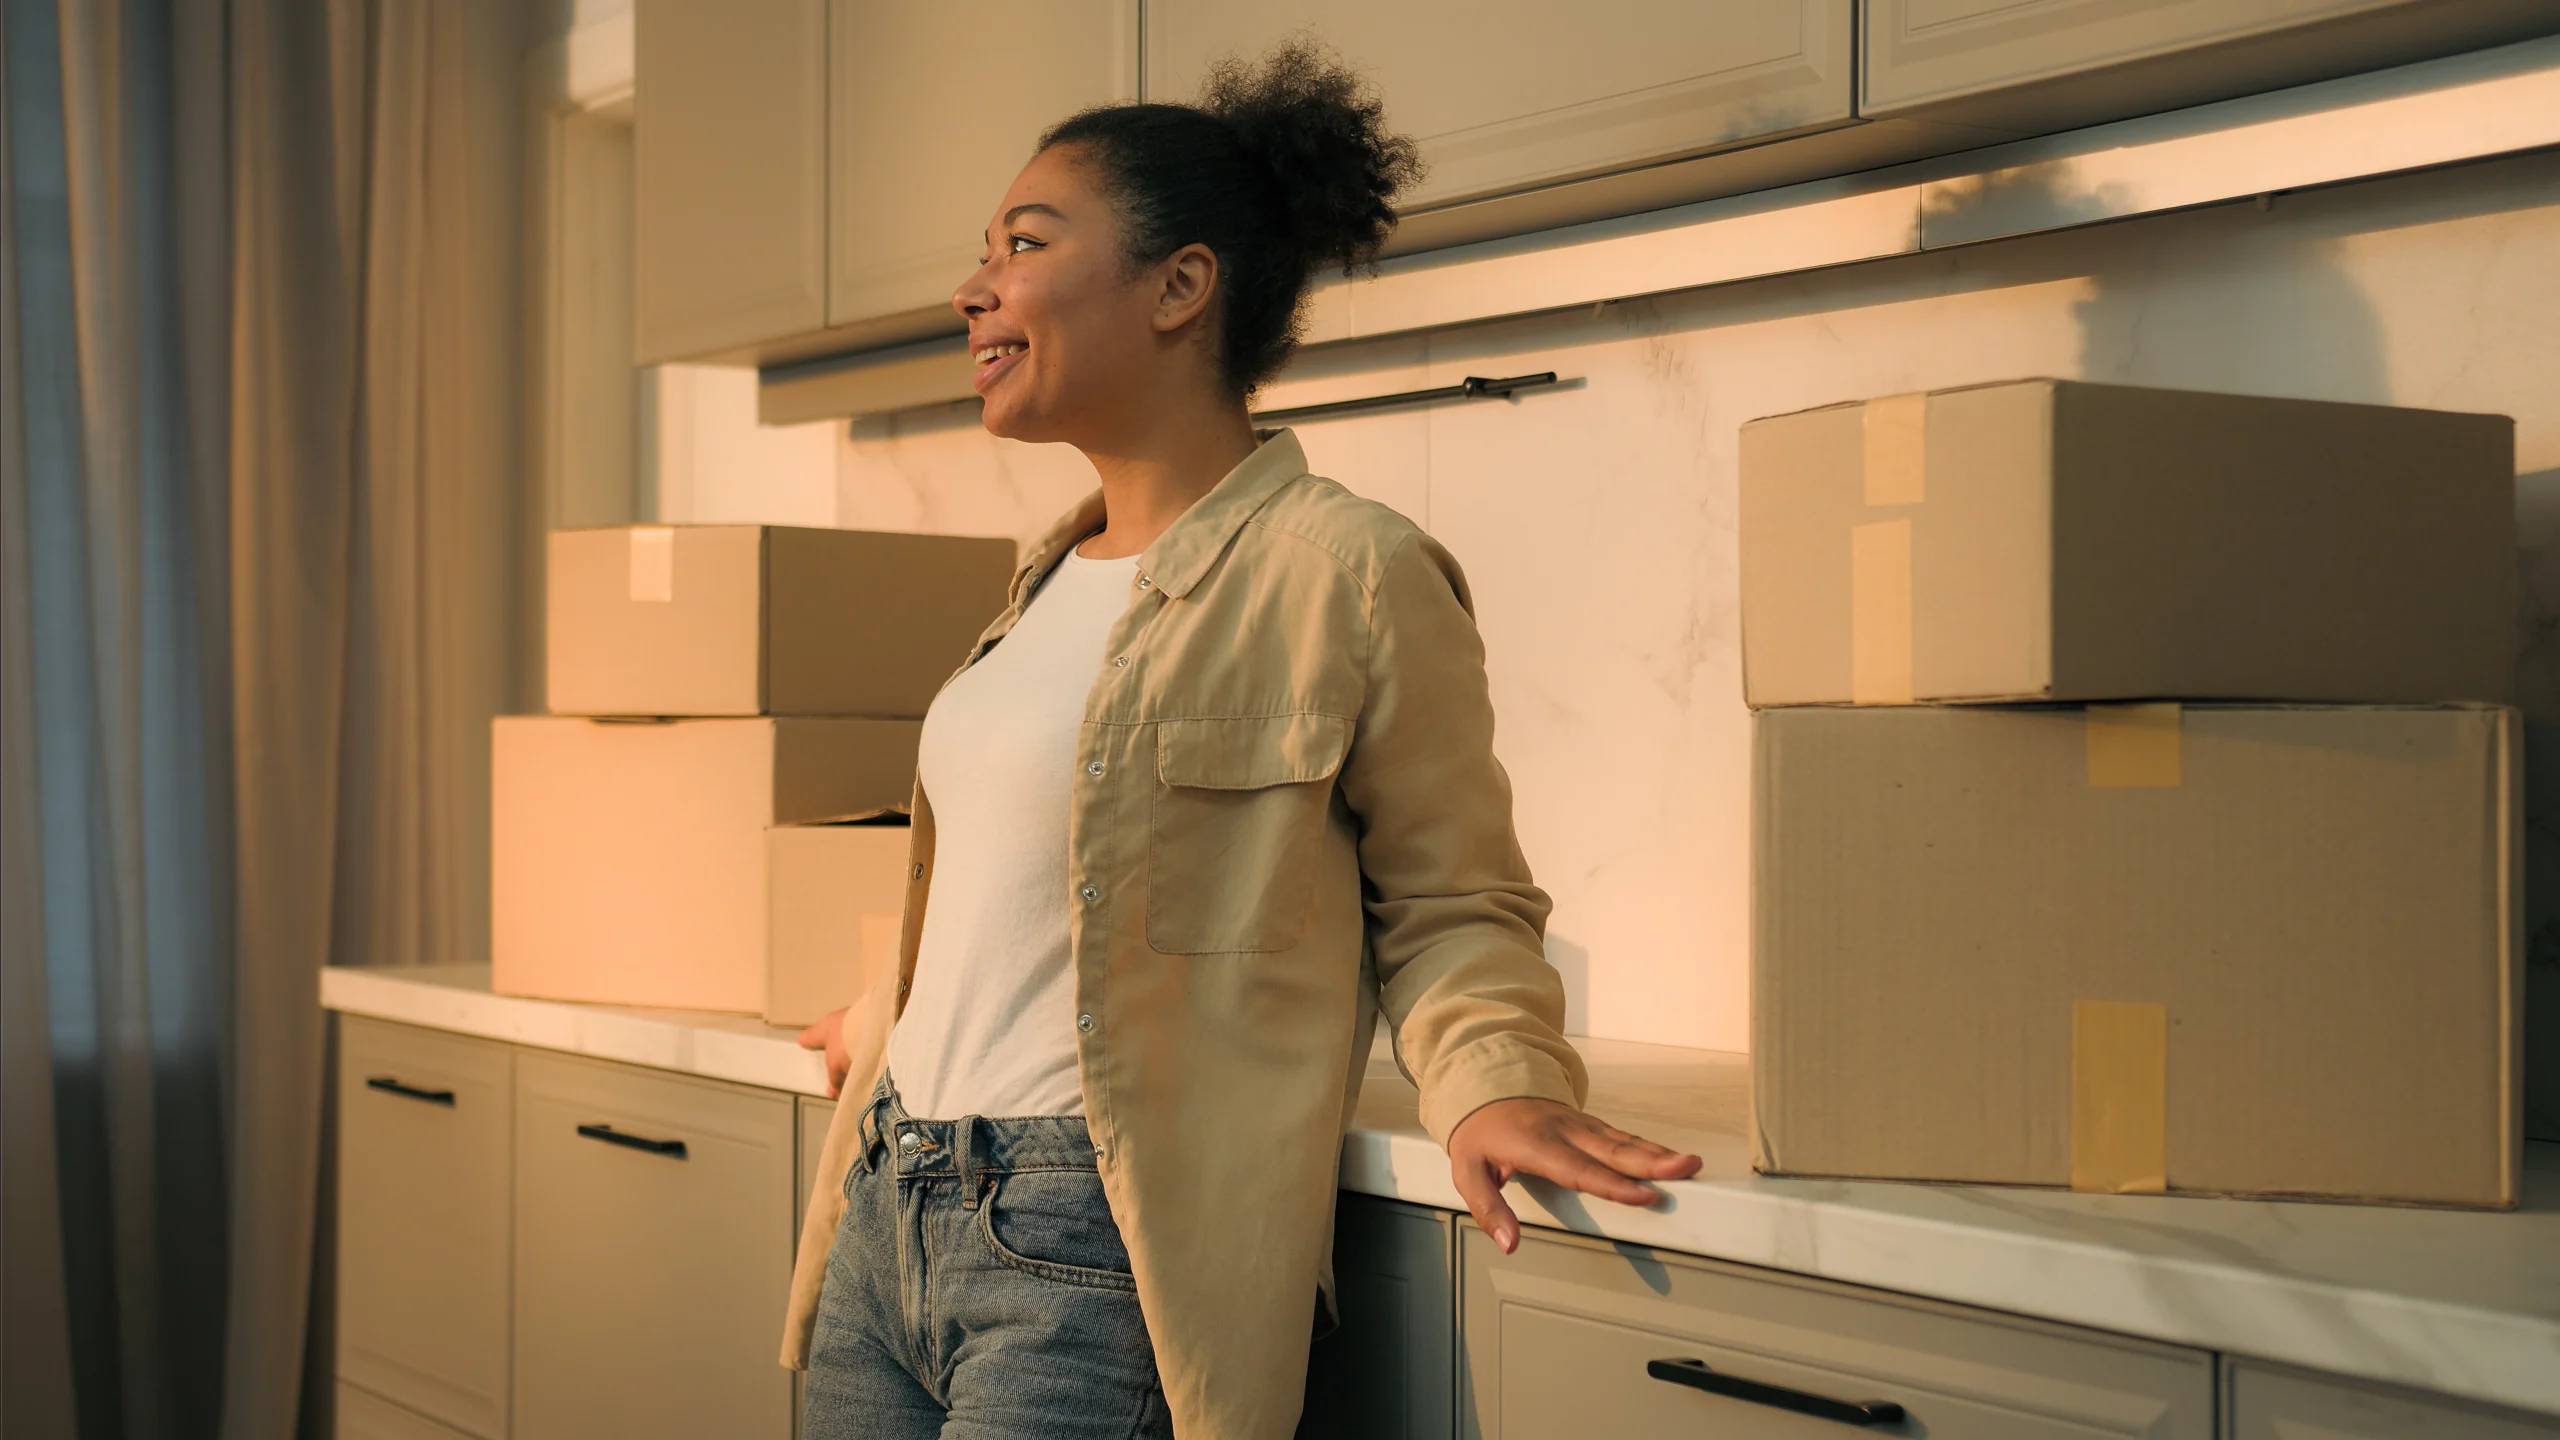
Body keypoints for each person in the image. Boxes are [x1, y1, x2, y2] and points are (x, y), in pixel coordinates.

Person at [782, 40, 1701, 1440]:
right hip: (887, 1204)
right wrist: (899, 1021)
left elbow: (1456, 902)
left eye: (1024, 243)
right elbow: (1049, 901)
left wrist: (1495, 1082)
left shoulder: (1350, 571)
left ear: (1179, 285)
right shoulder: (1040, 587)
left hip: (1087, 1250)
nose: (973, 286)